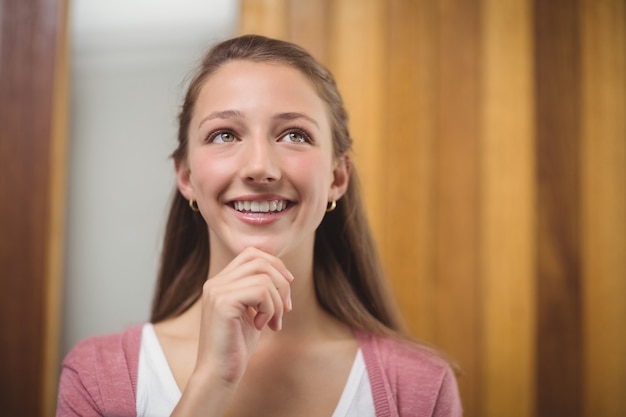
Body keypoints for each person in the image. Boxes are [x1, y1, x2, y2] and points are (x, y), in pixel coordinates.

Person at [57, 34, 462, 417]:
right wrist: (211, 382)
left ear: (338, 177)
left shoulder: (420, 387)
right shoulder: (95, 377)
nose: (259, 167)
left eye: (294, 135)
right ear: (186, 177)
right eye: (224, 134)